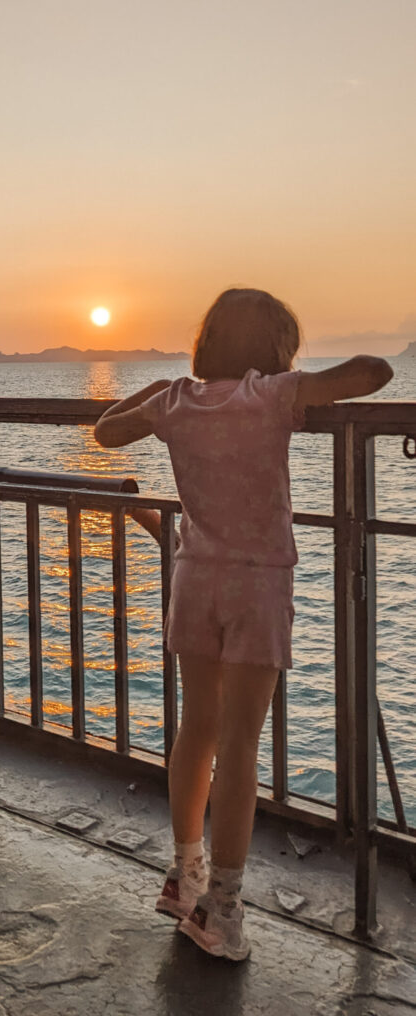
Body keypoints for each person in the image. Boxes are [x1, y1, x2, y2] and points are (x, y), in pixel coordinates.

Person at [94, 287, 393, 961]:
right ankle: (222, 909)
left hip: (193, 578)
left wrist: (154, 390)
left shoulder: (175, 401)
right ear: (273, 347)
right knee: (241, 743)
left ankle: (184, 873)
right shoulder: (273, 397)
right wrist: (298, 385)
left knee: (196, 727)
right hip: (256, 587)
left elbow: (107, 431)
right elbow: (377, 371)